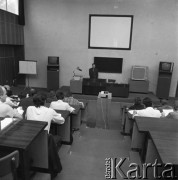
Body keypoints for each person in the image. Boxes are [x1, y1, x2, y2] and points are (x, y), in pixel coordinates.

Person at [26, 94, 64, 176]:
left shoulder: (29, 108)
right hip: (44, 139)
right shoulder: (50, 111)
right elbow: (61, 121)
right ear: (45, 101)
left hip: (29, 138)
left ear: (33, 101)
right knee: (53, 136)